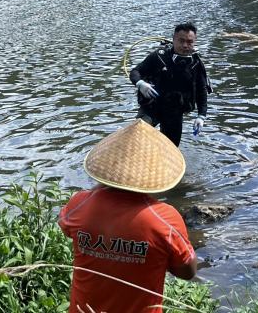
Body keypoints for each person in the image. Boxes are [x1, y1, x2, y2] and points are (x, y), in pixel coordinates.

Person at [58, 119, 197, 313]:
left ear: (105, 164)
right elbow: (187, 272)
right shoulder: (164, 219)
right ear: (155, 174)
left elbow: (66, 227)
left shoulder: (78, 204)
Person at [129, 22, 212, 146]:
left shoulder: (196, 63)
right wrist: (140, 83)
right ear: (173, 39)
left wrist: (201, 116)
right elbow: (135, 72)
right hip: (151, 107)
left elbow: (201, 90)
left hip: (175, 112)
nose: (185, 45)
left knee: (171, 148)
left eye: (189, 42)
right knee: (138, 135)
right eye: (181, 41)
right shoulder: (158, 57)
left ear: (194, 42)